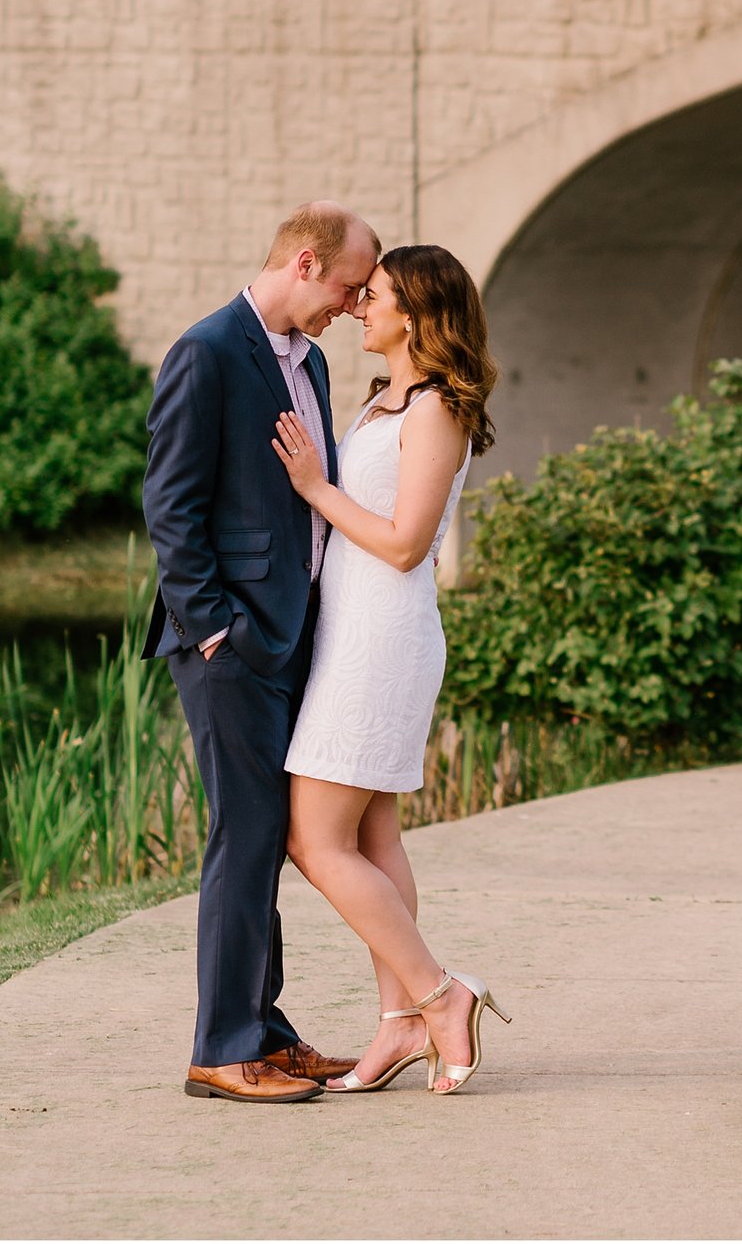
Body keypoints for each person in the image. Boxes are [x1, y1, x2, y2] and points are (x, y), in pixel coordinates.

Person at [143, 202, 380, 1104]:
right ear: (308, 263)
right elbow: (170, 505)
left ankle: (265, 1034)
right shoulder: (206, 351)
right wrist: (214, 632)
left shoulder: (309, 362)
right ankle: (222, 1049)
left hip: (295, 635)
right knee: (242, 838)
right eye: (351, 288)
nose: (355, 308)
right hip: (229, 646)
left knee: (267, 841)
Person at [271, 243, 512, 1094]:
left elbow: (407, 545)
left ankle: (442, 996)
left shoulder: (438, 408)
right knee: (372, 837)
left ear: (413, 312)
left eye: (371, 296)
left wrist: (314, 487)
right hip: (350, 635)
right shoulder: (386, 403)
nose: (357, 307)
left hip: (383, 640)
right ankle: (399, 1027)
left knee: (314, 839)